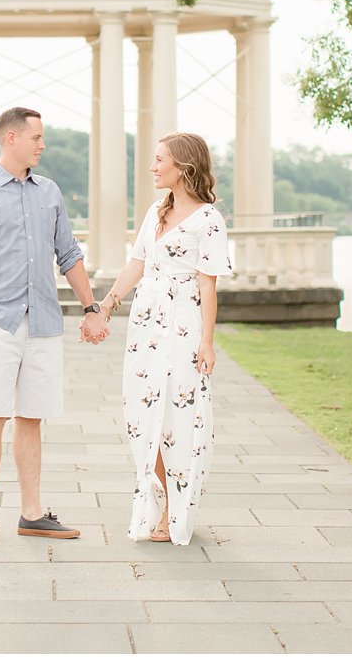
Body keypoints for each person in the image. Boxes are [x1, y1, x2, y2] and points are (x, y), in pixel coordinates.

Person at [0, 106, 110, 546]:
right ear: (11, 138)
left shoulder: (49, 192)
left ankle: (32, 513)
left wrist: (91, 307)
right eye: (37, 137)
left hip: (43, 323)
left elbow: (69, 254)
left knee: (32, 418)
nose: (43, 145)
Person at [95, 132, 230, 545]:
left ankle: (174, 506)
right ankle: (162, 494)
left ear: (183, 167)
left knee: (177, 417)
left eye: (159, 161)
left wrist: (207, 342)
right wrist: (106, 304)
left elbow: (209, 287)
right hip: (146, 324)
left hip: (184, 325)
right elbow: (135, 264)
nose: (153, 168)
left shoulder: (208, 220)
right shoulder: (156, 211)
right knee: (141, 415)